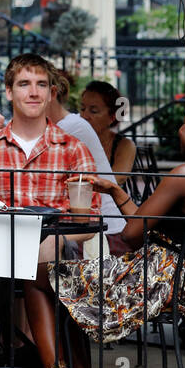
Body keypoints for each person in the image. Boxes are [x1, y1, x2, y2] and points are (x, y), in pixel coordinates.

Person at [0, 53, 105, 368]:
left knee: (43, 258)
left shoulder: (73, 149)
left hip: (58, 247)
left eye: (42, 84)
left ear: (52, 92)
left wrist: (47, 239)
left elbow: (89, 221)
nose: (34, 91)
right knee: (37, 260)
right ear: (9, 91)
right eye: (24, 84)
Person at [54, 96, 185, 343]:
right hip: (181, 278)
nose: (178, 131)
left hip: (152, 280)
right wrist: (114, 190)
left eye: (184, 126)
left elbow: (131, 234)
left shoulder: (184, 175)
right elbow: (144, 224)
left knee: (47, 278)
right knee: (60, 278)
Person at [46, 70, 124, 243]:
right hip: (87, 228)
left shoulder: (72, 127)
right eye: (83, 108)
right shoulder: (70, 124)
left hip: (103, 232)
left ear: (52, 93)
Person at [79, 80, 136, 186]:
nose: (84, 115)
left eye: (94, 111)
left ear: (112, 117)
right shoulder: (73, 140)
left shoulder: (124, 145)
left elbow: (118, 179)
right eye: (82, 109)